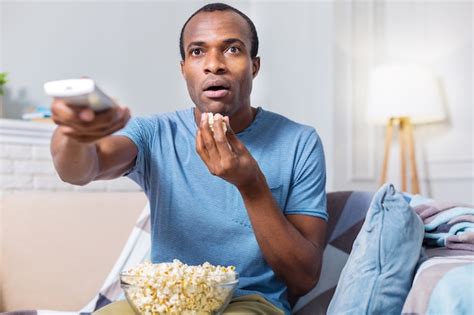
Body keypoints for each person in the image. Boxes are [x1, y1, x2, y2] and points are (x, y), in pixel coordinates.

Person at [50, 3, 327, 314]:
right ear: (183, 68)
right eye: (197, 52)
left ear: (254, 66)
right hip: (160, 298)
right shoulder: (154, 132)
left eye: (232, 49)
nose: (214, 64)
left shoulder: (299, 142)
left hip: (250, 301)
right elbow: (80, 171)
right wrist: (74, 133)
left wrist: (251, 185)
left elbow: (303, 278)